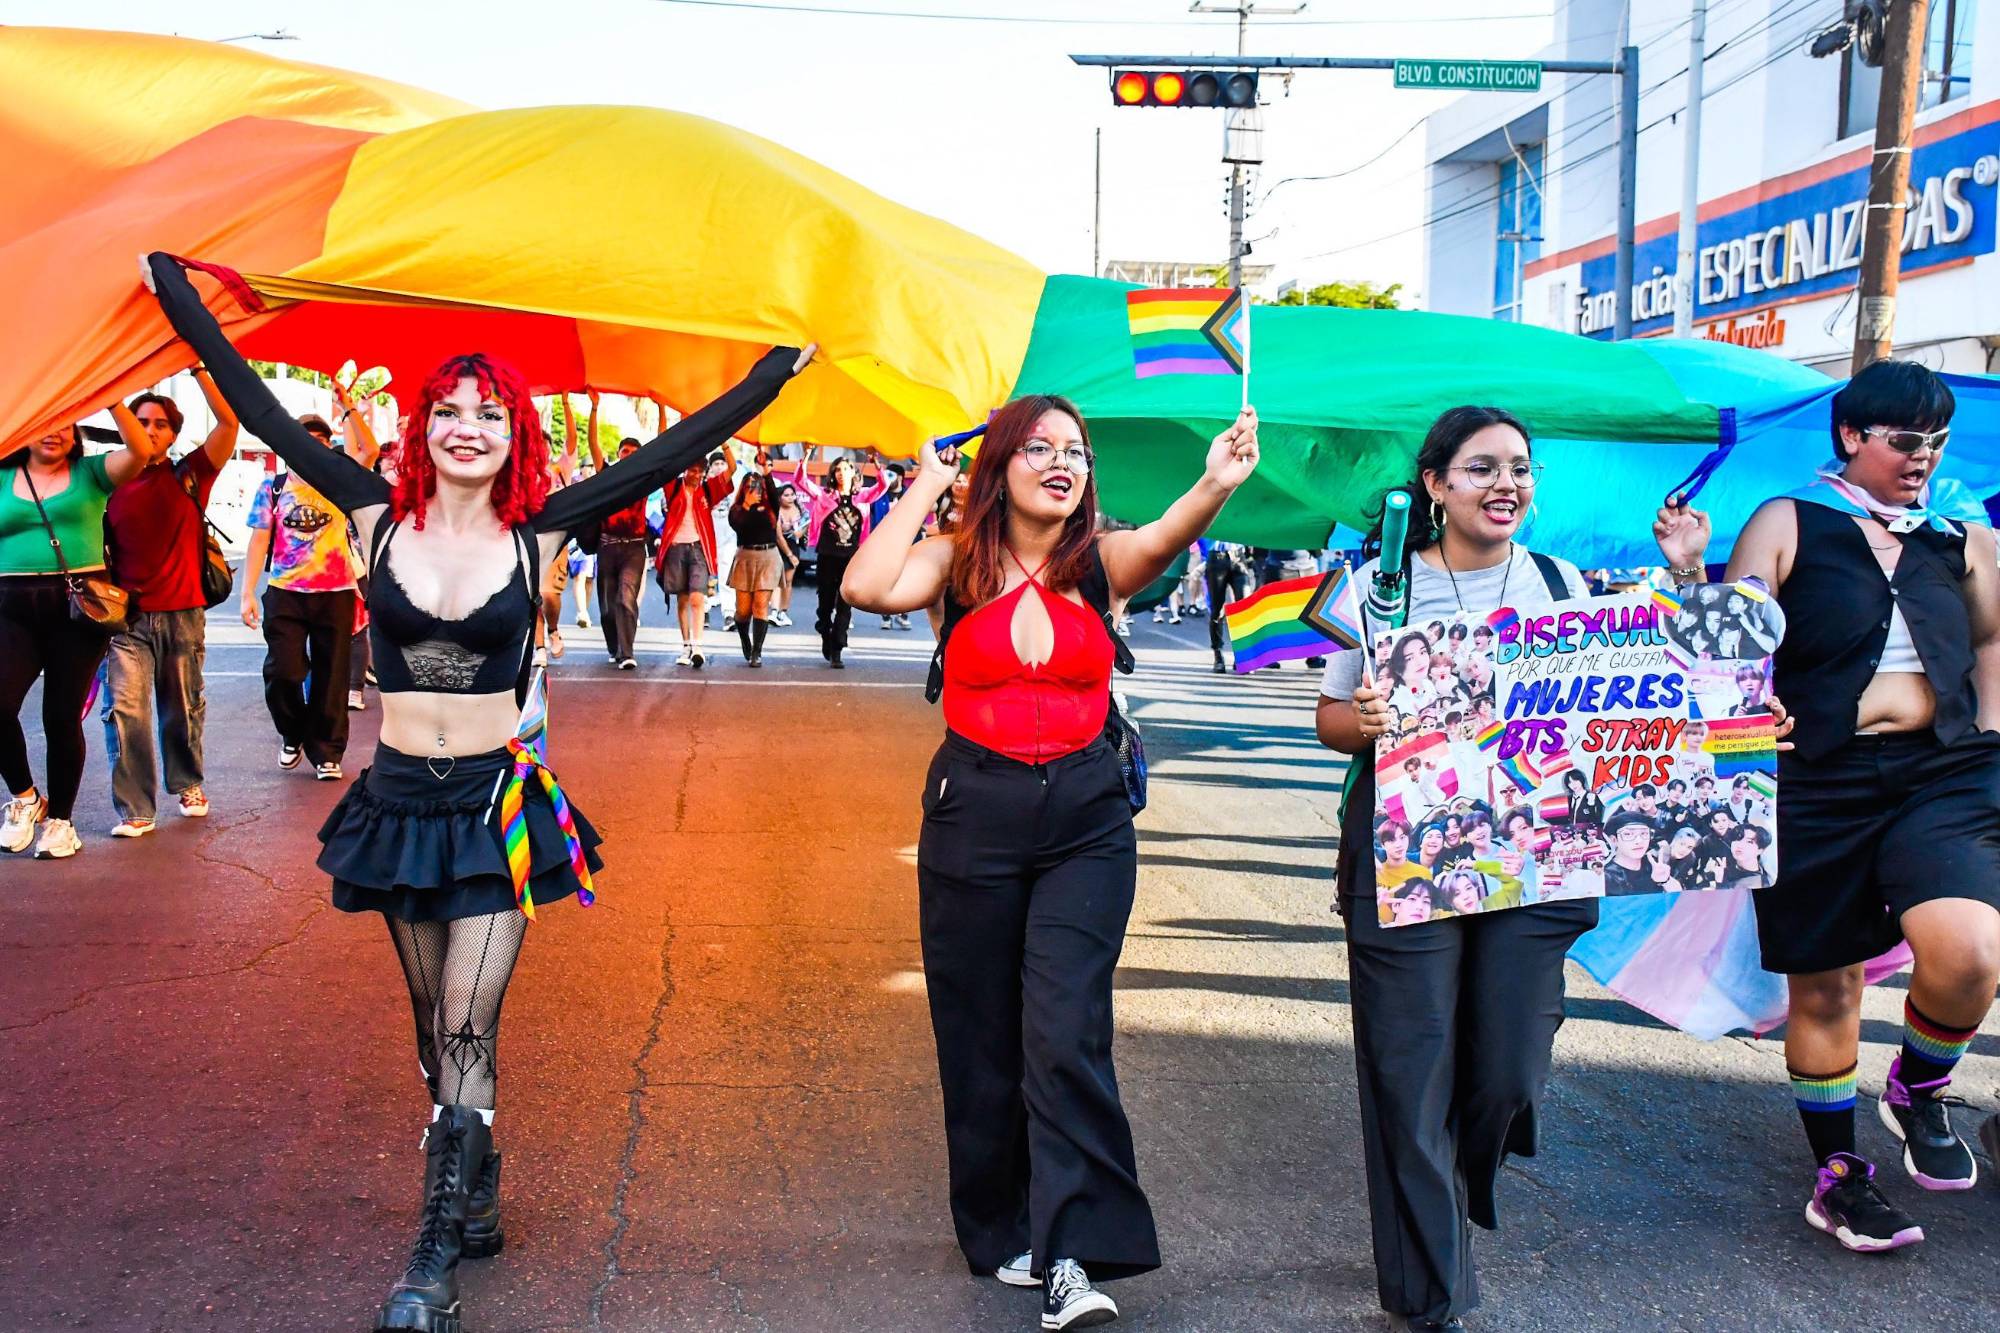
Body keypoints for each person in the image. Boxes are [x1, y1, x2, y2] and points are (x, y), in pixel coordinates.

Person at [147, 251, 808, 1333]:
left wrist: (776, 372)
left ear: (515, 437)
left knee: (466, 1016)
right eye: (448, 411)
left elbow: (684, 445)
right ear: (422, 429)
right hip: (400, 802)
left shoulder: (540, 531)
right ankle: (477, 1167)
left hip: (499, 807)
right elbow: (255, 402)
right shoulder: (368, 515)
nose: (467, 427)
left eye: (488, 413)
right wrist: (175, 292)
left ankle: (432, 1252)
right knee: (430, 1027)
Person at [842, 394, 1260, 1331]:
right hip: (972, 815)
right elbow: (867, 588)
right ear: (1000, 463)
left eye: (1074, 450)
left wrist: (1215, 482)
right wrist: (924, 487)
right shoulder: (956, 559)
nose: (1061, 463)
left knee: (1065, 1029)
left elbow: (1164, 537)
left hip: (1086, 820)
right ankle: (1000, 1224)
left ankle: (1074, 1248)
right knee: (981, 1031)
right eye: (1038, 448)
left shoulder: (1099, 558)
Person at [1655, 357, 1998, 1249]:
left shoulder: (1961, 537)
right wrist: (1693, 574)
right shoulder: (1789, 519)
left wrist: (1992, 733)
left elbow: (1993, 636)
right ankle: (1840, 1174)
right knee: (1829, 986)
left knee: (1970, 955)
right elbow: (1732, 641)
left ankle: (1919, 1086)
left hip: (1946, 773)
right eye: (1903, 441)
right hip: (1816, 780)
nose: (1921, 457)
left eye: (1936, 442)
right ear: (1851, 436)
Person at [1318, 406, 1599, 1333]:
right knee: (1410, 1063)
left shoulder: (1565, 585)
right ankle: (1430, 1281)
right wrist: (1363, 720)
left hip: (1531, 850)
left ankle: (1457, 1175)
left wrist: (1744, 726)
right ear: (1435, 485)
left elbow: (1627, 709)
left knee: (1509, 1066)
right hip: (1405, 849)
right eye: (1481, 468)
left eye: (1520, 467)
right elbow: (1330, 722)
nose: (1505, 483)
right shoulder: (1380, 587)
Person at [1, 419, 156, 859]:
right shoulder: (3, 475)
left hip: (77, 609)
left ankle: (61, 823)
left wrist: (112, 396)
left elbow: (141, 449)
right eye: (45, 424)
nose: (55, 434)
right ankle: (27, 798)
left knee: (59, 717)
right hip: (10, 606)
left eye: (65, 426)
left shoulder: (91, 473)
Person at [98, 373, 239, 837]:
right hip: (125, 617)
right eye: (141, 421)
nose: (151, 430)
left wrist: (200, 369)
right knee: (125, 711)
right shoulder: (107, 478)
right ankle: (137, 807)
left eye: (160, 424)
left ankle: (188, 782)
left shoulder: (189, 473)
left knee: (181, 706)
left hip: (183, 611)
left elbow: (228, 422)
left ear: (174, 434)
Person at [242, 406, 378, 780]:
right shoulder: (273, 487)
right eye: (304, 441)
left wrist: (349, 404)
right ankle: (292, 732)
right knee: (284, 671)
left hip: (334, 591)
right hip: (285, 591)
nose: (313, 449)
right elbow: (258, 541)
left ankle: (327, 751)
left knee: (331, 673)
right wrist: (248, 593)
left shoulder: (340, 484)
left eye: (321, 442)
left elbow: (368, 449)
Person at [785, 445, 894, 667]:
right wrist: (806, 456)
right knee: (825, 604)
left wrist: (875, 463)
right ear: (833, 475)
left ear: (853, 473)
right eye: (837, 470)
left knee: (845, 603)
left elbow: (883, 485)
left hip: (851, 558)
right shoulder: (824, 496)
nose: (841, 473)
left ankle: (837, 649)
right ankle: (825, 630)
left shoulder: (862, 497)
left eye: (846, 469)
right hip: (827, 556)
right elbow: (800, 481)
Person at [653, 445, 736, 669]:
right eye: (692, 470)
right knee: (682, 599)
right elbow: (664, 458)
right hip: (676, 548)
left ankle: (698, 646)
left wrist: (725, 443)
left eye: (701, 470)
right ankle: (686, 645)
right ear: (684, 470)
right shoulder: (673, 487)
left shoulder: (708, 490)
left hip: (699, 549)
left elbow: (732, 469)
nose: (697, 475)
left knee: (698, 598)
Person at [588, 428, 650, 670]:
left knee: (626, 598)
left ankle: (627, 653)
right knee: (607, 609)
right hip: (607, 547)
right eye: (626, 451)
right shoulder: (607, 475)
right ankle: (614, 647)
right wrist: (594, 408)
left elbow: (666, 445)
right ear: (618, 453)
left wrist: (663, 411)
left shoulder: (647, 478)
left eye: (635, 452)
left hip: (634, 548)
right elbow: (593, 445)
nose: (630, 455)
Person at [725, 458, 791, 667]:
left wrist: (766, 473)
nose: (758, 491)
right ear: (744, 490)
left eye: (759, 487)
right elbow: (739, 526)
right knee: (743, 611)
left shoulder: (771, 506)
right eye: (752, 488)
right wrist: (748, 505)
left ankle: (757, 652)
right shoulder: (736, 511)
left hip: (768, 557)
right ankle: (745, 638)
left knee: (760, 605)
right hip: (745, 557)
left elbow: (772, 492)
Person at [870, 461, 914, 630]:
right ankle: (886, 615)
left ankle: (903, 614)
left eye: (890, 476)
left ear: (900, 478)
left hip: (905, 544)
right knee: (883, 580)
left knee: (905, 580)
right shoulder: (879, 495)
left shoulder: (910, 495)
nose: (887, 479)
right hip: (882, 545)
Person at [1203, 539, 1256, 673]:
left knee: (1244, 609)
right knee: (1217, 609)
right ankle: (1218, 655)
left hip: (1238, 556)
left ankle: (1242, 656)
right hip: (1216, 556)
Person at [774, 478, 810, 627]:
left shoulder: (800, 510)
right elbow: (778, 536)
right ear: (780, 497)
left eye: (792, 494)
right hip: (778, 546)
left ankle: (783, 611)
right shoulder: (776, 511)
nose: (790, 498)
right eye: (786, 495)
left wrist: (800, 532)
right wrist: (789, 554)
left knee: (788, 581)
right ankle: (774, 611)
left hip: (794, 545)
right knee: (776, 580)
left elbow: (806, 525)